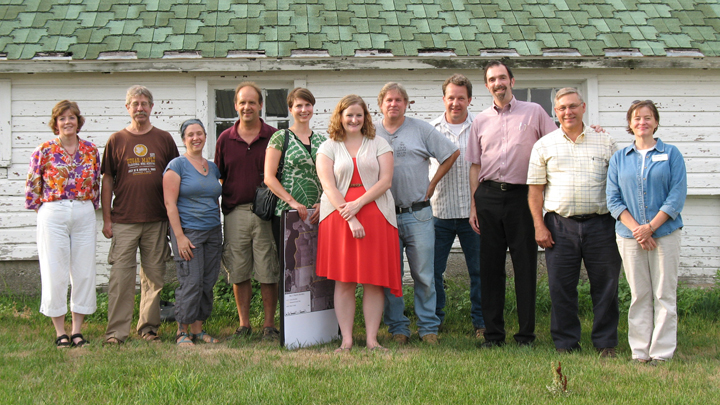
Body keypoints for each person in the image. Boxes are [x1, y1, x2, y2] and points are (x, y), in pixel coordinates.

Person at [466, 61, 557, 347]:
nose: (498, 83)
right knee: (490, 269)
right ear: (487, 85)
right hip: (488, 196)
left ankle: (526, 335)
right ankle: (493, 335)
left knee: (525, 267)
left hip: (523, 198)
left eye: (502, 77)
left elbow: (558, 145)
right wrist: (473, 206)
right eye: (492, 79)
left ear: (512, 81)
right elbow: (474, 165)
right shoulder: (479, 120)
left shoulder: (534, 113)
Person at [527, 88, 621, 357]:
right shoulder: (544, 145)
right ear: (555, 113)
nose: (567, 112)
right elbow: (535, 191)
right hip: (559, 226)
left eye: (572, 106)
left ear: (583, 107)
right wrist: (538, 225)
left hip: (601, 225)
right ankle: (566, 343)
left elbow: (620, 181)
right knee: (561, 287)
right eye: (561, 108)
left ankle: (605, 343)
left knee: (606, 286)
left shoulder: (605, 142)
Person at [316, 95, 402, 351]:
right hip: (339, 217)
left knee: (373, 280)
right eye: (349, 115)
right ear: (340, 117)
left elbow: (385, 181)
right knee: (345, 280)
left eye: (359, 115)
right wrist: (350, 215)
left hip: (376, 214)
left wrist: (359, 204)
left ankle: (373, 340)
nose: (354, 120)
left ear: (366, 117)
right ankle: (347, 339)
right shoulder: (328, 146)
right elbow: (329, 186)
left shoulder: (379, 143)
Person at [376, 82, 460, 345]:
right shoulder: (372, 132)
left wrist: (432, 183)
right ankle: (398, 328)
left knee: (424, 274)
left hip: (418, 213)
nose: (394, 104)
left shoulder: (421, 129)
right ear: (381, 104)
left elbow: (451, 152)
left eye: (399, 100)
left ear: (406, 104)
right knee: (392, 276)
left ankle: (428, 329)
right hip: (385, 215)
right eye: (389, 100)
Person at [607, 100, 687, 364]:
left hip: (665, 235)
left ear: (656, 122)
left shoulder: (671, 154)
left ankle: (662, 353)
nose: (642, 122)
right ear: (630, 124)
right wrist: (638, 231)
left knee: (664, 293)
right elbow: (613, 200)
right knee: (639, 294)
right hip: (629, 238)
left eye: (648, 117)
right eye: (637, 118)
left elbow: (676, 196)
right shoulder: (619, 158)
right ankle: (640, 351)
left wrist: (650, 228)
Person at [102, 85, 179, 344]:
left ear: (152, 107)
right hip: (124, 220)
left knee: (154, 278)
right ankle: (116, 332)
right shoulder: (116, 140)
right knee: (121, 279)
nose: (140, 108)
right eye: (135, 103)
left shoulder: (164, 139)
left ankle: (148, 328)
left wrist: (173, 219)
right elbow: (107, 180)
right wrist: (106, 218)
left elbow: (174, 178)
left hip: (157, 220)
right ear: (128, 108)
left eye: (145, 103)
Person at [25, 100, 100, 348]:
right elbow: (33, 185)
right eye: (62, 118)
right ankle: (60, 332)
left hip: (83, 210)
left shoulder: (90, 150)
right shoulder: (44, 150)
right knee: (54, 271)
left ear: (79, 121)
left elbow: (95, 184)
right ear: (55, 123)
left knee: (84, 271)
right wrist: (44, 209)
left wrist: (90, 206)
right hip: (53, 211)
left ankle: (77, 331)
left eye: (72, 117)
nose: (68, 122)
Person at [214, 82, 281, 341]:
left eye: (252, 102)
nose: (247, 107)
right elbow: (219, 176)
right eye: (242, 102)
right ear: (235, 106)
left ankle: (268, 326)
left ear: (261, 105)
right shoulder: (225, 139)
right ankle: (244, 325)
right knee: (238, 270)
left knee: (268, 270)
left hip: (266, 214)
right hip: (235, 213)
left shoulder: (274, 136)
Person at [429, 74, 485, 337]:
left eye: (461, 98)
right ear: (443, 99)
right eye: (450, 97)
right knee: (433, 272)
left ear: (469, 99)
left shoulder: (482, 126)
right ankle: (435, 320)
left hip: (473, 215)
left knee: (479, 272)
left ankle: (481, 323)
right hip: (438, 213)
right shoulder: (430, 130)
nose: (455, 103)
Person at [163, 119, 223, 347]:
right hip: (189, 232)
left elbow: (213, 196)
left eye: (199, 133)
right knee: (191, 281)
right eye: (190, 134)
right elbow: (170, 205)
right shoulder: (176, 166)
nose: (196, 138)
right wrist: (179, 237)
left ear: (205, 136)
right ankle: (182, 332)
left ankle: (198, 330)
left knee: (208, 282)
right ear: (184, 139)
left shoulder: (212, 166)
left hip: (213, 231)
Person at [264, 87, 326, 251]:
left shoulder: (323, 141)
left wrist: (323, 202)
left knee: (317, 268)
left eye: (308, 105)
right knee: (290, 269)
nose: (304, 110)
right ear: (290, 109)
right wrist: (293, 203)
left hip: (317, 214)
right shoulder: (280, 137)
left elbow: (330, 177)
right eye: (299, 106)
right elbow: (269, 177)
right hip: (287, 213)